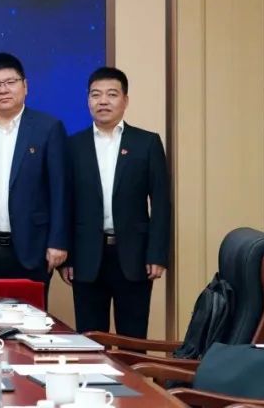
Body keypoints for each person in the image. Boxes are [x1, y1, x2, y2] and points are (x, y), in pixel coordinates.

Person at [62, 67, 170, 338]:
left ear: (125, 100)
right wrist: (67, 258)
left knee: (133, 339)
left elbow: (161, 202)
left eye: (111, 94)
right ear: (88, 100)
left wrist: (157, 254)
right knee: (91, 340)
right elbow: (65, 205)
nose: (103, 101)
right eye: (95, 95)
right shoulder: (73, 146)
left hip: (134, 256)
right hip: (87, 257)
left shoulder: (146, 143)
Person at [0, 52, 68, 300]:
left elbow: (61, 191)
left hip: (33, 247)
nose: (3, 90)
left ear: (25, 85)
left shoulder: (48, 128)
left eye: (10, 82)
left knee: (31, 318)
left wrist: (58, 242)